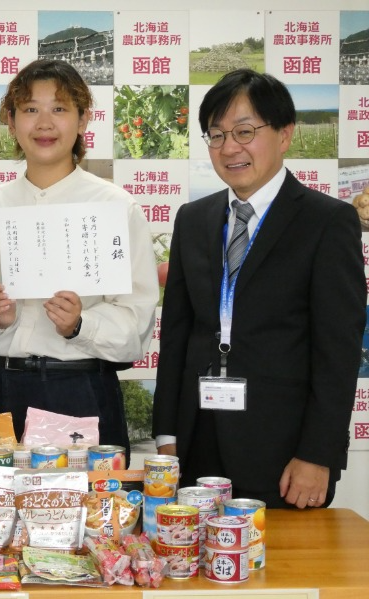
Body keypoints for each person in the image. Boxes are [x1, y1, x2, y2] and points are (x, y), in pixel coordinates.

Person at [152, 69, 366, 509]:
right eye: (216, 135)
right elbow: (176, 336)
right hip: (197, 441)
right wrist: (167, 435)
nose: (230, 147)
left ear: (285, 135)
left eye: (245, 131)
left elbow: (338, 351)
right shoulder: (192, 220)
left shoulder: (327, 222)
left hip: (285, 453)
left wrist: (317, 455)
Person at [0, 60, 159, 463]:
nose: (44, 123)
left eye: (59, 109)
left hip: (79, 388)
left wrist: (82, 323)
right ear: (11, 122)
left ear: (84, 121)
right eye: (30, 109)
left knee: (88, 518)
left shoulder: (116, 207)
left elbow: (136, 327)